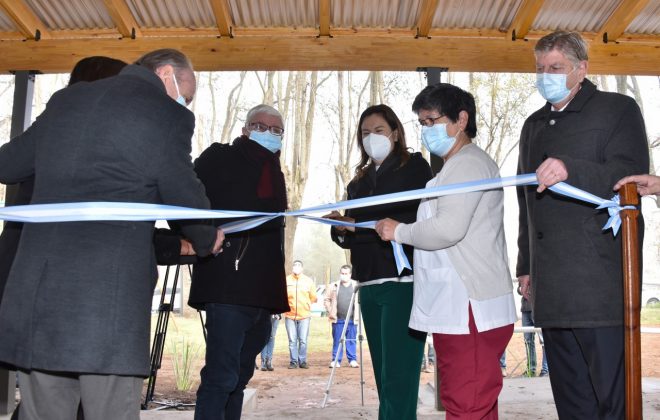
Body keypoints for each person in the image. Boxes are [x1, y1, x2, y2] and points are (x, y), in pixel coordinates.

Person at [0, 49, 224, 420]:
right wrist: (206, 237)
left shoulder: (67, 99)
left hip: (39, 298)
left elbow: (9, 165)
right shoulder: (166, 114)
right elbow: (182, 189)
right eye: (188, 89)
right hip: (107, 306)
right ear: (166, 74)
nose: (187, 100)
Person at [517, 31, 648, 418]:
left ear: (582, 69)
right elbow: (526, 203)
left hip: (600, 287)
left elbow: (632, 174)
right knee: (572, 402)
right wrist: (526, 266)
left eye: (555, 68)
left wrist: (571, 169)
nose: (546, 75)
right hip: (552, 289)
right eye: (540, 68)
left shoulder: (617, 109)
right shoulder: (533, 125)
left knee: (613, 401)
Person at [375, 83, 516, 418]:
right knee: (471, 402)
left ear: (461, 119)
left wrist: (400, 231)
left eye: (432, 121)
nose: (426, 131)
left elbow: (448, 229)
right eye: (422, 123)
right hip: (456, 305)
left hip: (470, 307)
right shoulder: (451, 169)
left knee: (466, 403)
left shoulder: (468, 164)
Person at [327, 104, 433, 419]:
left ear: (396, 133)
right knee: (384, 377)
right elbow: (348, 233)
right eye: (365, 133)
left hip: (402, 282)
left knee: (400, 377)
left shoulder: (415, 167)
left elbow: (413, 215)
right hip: (369, 282)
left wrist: (356, 220)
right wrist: (341, 228)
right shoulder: (357, 182)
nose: (371, 138)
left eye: (378, 130)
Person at [188, 104, 289, 420]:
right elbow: (185, 198)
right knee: (221, 376)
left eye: (277, 130)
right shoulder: (219, 157)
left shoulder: (275, 170)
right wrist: (199, 236)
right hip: (228, 284)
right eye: (261, 126)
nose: (269, 134)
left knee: (241, 375)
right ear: (245, 129)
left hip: (263, 291)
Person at [283, 260, 317, 369]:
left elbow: (313, 297)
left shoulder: (308, 281)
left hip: (304, 316)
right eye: (295, 265)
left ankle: (302, 361)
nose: (296, 267)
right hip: (290, 315)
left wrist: (306, 305)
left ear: (302, 268)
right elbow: (283, 296)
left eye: (298, 265)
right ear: (292, 267)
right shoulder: (286, 280)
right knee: (292, 340)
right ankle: (293, 361)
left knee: (303, 340)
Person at [324, 264, 359, 368]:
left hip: (352, 319)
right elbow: (326, 299)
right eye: (342, 273)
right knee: (337, 340)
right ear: (340, 274)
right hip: (338, 319)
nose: (344, 275)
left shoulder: (356, 285)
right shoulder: (334, 286)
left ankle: (352, 359)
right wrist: (330, 311)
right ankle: (336, 360)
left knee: (351, 340)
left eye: (346, 273)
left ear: (350, 274)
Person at [516, 287, 548, 378]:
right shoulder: (524, 272)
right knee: (528, 340)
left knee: (543, 341)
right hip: (525, 309)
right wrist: (522, 289)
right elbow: (519, 289)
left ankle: (545, 370)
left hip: (539, 308)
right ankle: (531, 369)